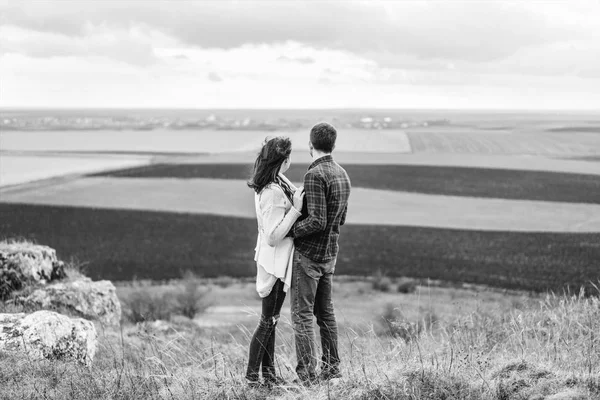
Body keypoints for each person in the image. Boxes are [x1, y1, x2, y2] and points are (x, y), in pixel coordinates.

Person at [289, 122, 351, 384]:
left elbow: (317, 221)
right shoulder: (342, 174)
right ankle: (332, 369)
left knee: (302, 316)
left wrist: (289, 229)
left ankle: (306, 377)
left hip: (310, 256)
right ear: (333, 145)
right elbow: (341, 219)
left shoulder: (314, 176)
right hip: (330, 254)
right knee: (325, 314)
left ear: (310, 145)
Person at [245, 136, 305, 388]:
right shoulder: (271, 191)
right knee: (267, 320)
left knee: (272, 319)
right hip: (273, 263)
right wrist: (296, 210)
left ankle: (268, 375)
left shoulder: (277, 181)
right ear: (284, 160)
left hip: (278, 262)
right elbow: (271, 236)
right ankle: (251, 378)